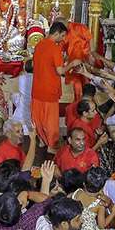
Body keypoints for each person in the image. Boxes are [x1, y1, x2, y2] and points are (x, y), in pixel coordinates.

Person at [31, 22, 71, 152]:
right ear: (57, 33)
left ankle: (42, 140)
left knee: (38, 118)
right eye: (63, 35)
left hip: (37, 88)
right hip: (50, 90)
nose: (63, 38)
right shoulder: (55, 48)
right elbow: (60, 71)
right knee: (50, 121)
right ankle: (51, 146)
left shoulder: (38, 45)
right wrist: (72, 64)